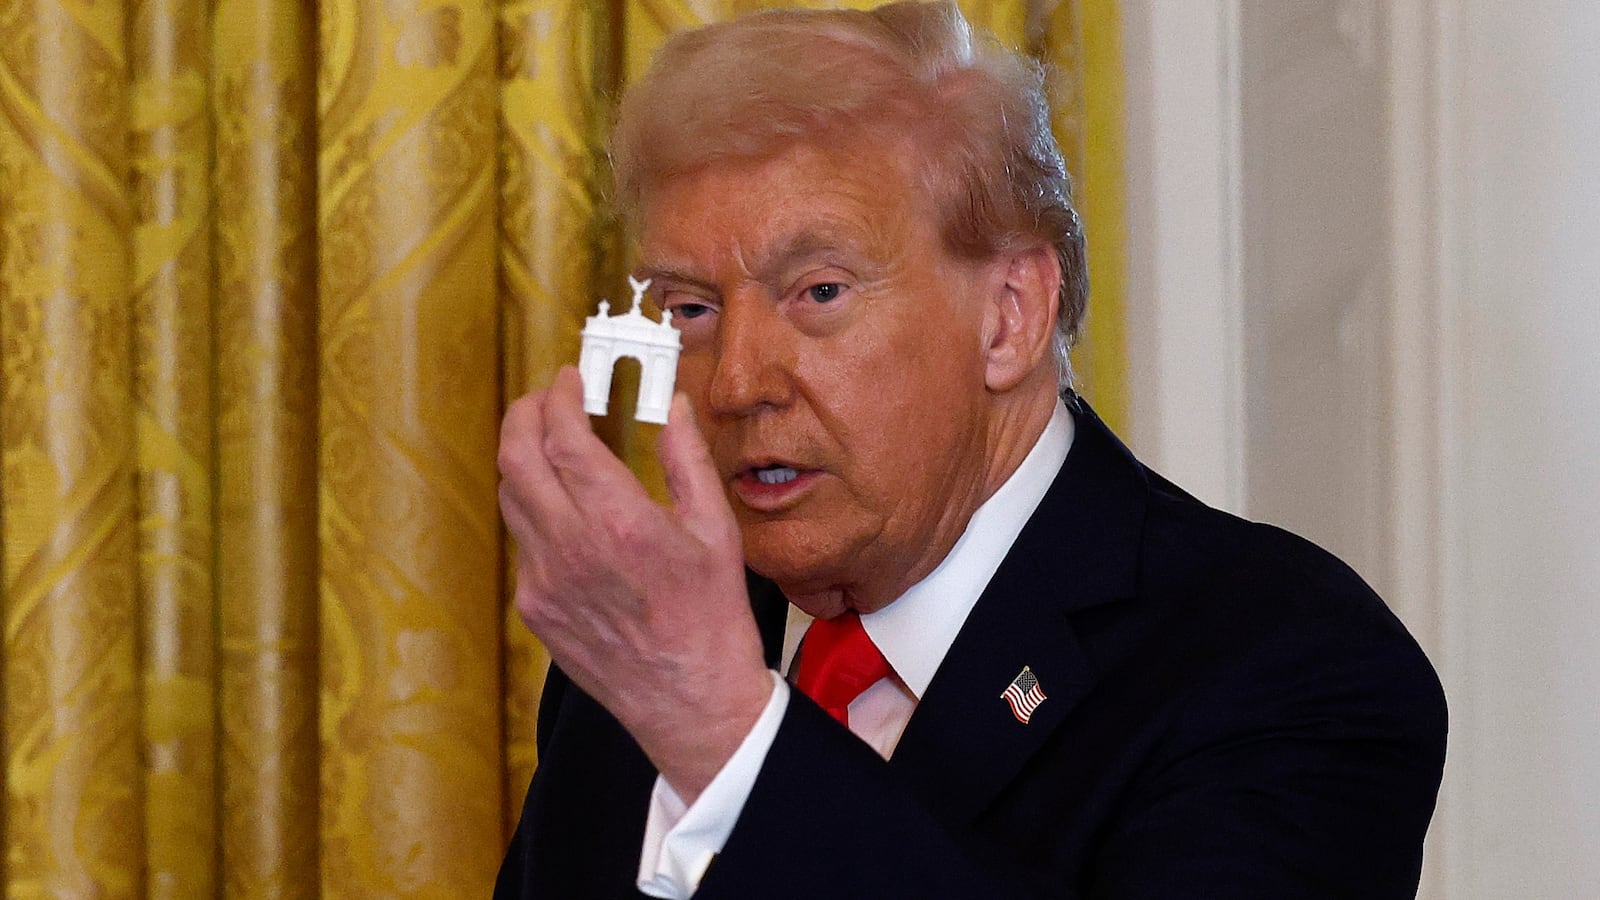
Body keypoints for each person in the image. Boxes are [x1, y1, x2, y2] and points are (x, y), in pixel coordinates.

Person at [493, 2, 1447, 897]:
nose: (737, 381)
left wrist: (726, 737)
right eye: (692, 310)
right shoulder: (645, 654)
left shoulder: (1286, 667)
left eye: (819, 292)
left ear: (1009, 316)